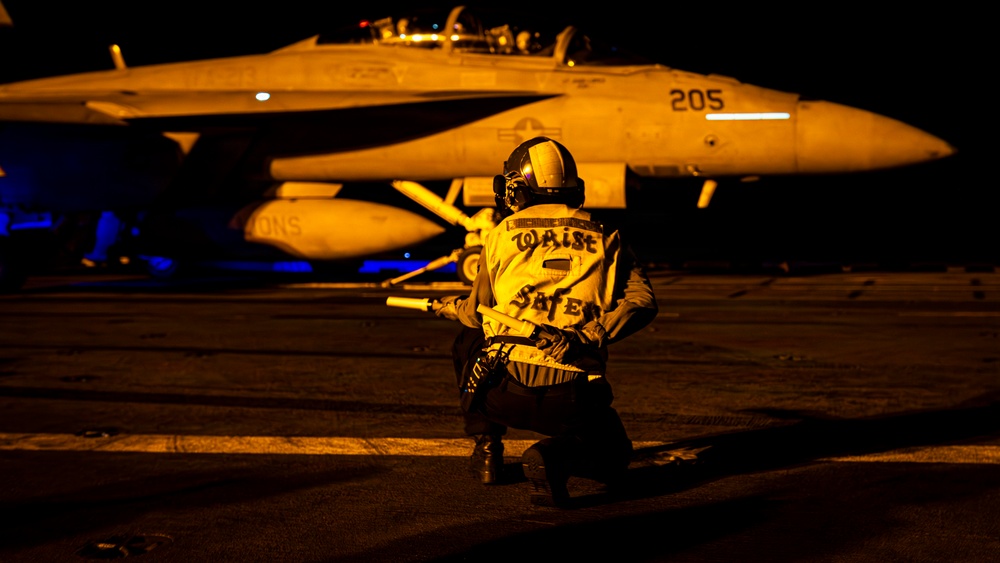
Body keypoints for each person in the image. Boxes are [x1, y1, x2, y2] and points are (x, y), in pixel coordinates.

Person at [432, 136, 658, 507]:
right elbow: (643, 302)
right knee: (615, 457)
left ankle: (487, 449)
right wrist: (590, 334)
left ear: (516, 189)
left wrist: (450, 306)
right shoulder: (609, 235)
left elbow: (476, 313)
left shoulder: (499, 235)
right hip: (572, 397)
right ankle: (555, 455)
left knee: (466, 340)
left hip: (503, 393)